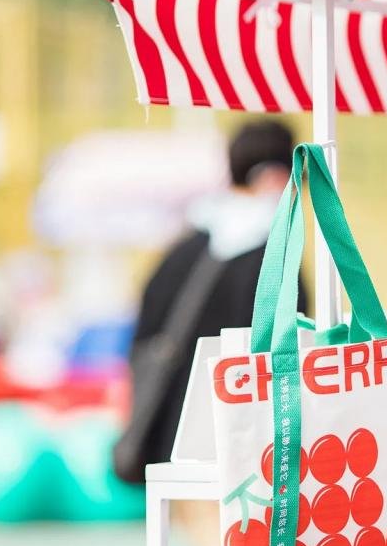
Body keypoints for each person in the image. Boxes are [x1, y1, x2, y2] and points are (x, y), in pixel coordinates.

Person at [113, 120, 307, 484]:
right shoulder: (272, 254)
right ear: (275, 176)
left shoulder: (186, 245)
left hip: (168, 433)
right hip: (239, 442)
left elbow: (144, 328)